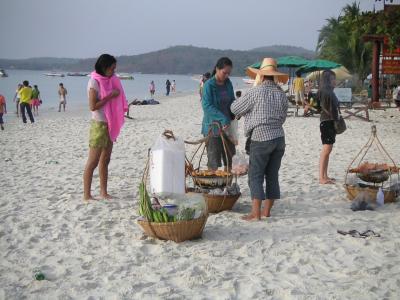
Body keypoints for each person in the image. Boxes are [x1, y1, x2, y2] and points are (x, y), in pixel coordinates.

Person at [231, 57, 288, 221]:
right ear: (275, 76)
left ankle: (255, 213)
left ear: (261, 76)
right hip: (279, 137)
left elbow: (235, 108)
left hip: (261, 138)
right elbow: (283, 117)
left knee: (255, 175)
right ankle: (267, 211)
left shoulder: (256, 92)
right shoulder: (281, 94)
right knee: (272, 175)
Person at [83, 54, 127, 200]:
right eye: (112, 68)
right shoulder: (94, 82)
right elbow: (93, 106)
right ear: (104, 67)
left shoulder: (111, 80)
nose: (114, 71)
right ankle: (87, 195)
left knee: (105, 159)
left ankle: (103, 192)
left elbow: (117, 94)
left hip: (110, 124)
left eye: (115, 68)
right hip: (98, 125)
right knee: (93, 161)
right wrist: (109, 96)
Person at [201, 57, 236, 171]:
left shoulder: (228, 83)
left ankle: (228, 186)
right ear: (217, 69)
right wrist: (222, 118)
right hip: (213, 127)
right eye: (224, 73)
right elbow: (207, 106)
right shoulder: (208, 85)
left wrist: (235, 112)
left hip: (228, 127)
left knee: (230, 158)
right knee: (213, 162)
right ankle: (214, 187)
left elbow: (232, 100)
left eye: (228, 73)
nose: (226, 76)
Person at [318, 70, 339, 184]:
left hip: (329, 121)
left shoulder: (329, 91)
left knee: (328, 149)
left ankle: (325, 175)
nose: (335, 81)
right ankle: (321, 177)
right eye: (332, 79)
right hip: (326, 122)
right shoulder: (325, 91)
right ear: (327, 80)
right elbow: (325, 107)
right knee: (326, 150)